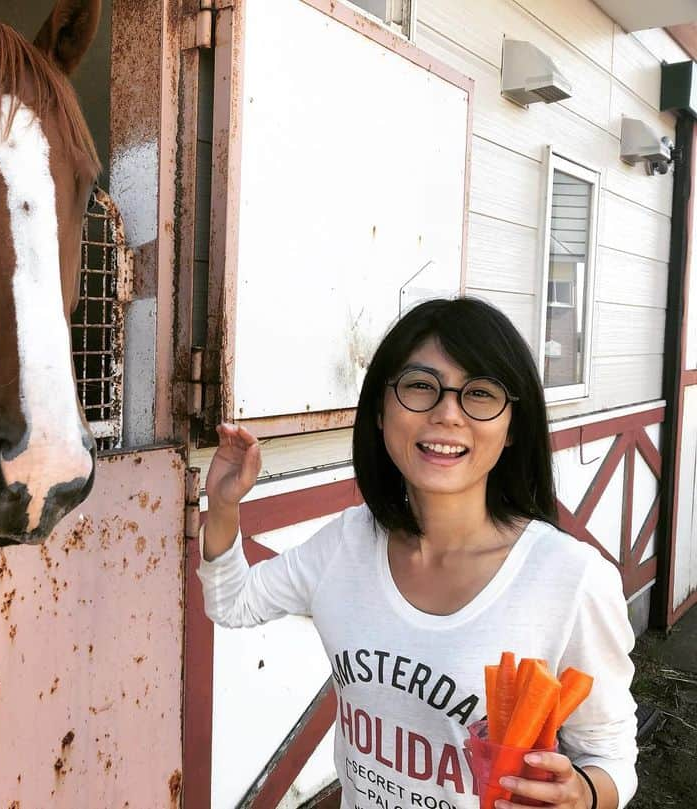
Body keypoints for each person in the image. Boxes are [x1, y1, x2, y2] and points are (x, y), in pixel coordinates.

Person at [198, 297, 637, 809]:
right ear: (382, 412)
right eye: (421, 386)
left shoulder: (571, 579)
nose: (447, 413)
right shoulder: (348, 544)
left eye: (480, 393)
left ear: (513, 425)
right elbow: (232, 603)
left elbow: (610, 758)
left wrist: (582, 794)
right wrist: (225, 505)